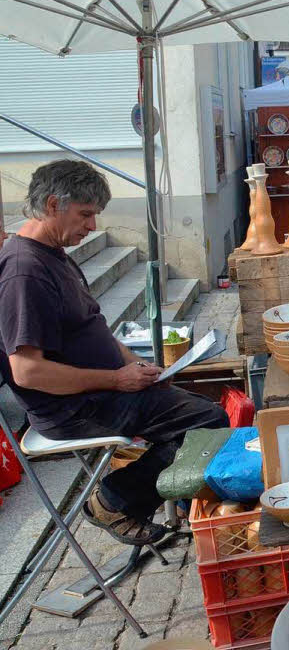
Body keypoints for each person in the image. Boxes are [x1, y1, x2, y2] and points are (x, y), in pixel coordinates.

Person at [0, 161, 228, 545]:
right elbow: (26, 372)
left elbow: (92, 327)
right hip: (71, 408)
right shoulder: (24, 271)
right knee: (208, 424)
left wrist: (128, 362)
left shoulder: (53, 253)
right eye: (85, 215)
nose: (92, 227)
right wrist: (116, 379)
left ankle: (167, 500)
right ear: (53, 204)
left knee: (201, 410)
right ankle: (114, 501)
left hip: (100, 392)